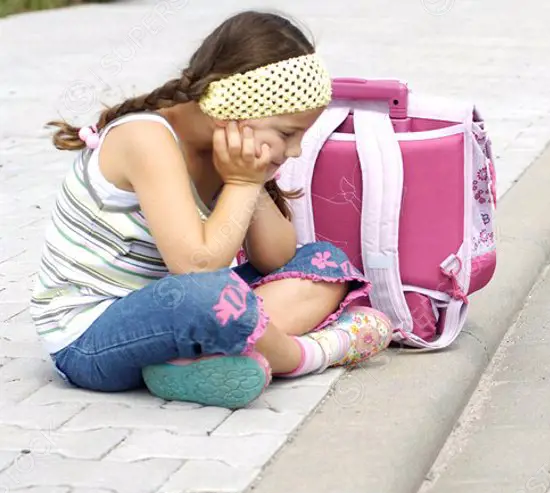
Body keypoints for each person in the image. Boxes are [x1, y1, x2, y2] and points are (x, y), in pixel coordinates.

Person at [31, 10, 392, 410]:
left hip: (174, 311)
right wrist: (242, 182)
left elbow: (277, 259)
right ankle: (307, 354)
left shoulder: (224, 148)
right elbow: (197, 265)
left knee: (323, 263)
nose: (294, 151)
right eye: (288, 133)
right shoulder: (146, 138)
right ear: (235, 109)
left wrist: (248, 183)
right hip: (91, 340)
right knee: (213, 294)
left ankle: (190, 364)